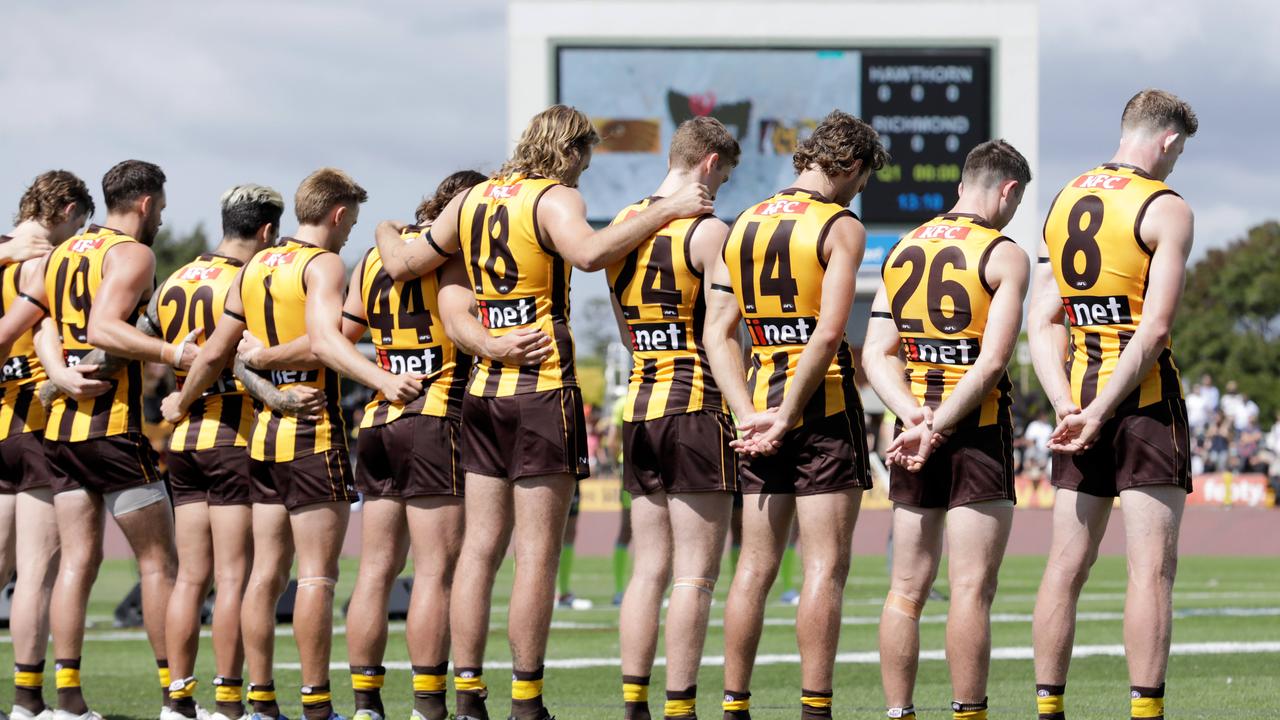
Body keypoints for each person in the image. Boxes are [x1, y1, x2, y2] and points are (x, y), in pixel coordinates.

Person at [373, 104, 711, 720]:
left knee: (478, 550)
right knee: (536, 555)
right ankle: (525, 701)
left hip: (483, 392)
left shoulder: (470, 201)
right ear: (570, 149)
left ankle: (466, 695)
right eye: (585, 156)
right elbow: (587, 255)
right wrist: (665, 209)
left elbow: (401, 263)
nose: (584, 171)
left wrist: (384, 229)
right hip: (541, 386)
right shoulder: (554, 197)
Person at [164, 168, 368, 720]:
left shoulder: (254, 265)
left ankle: (256, 701)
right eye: (352, 220)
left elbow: (214, 353)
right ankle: (317, 706)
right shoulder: (324, 263)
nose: (350, 232)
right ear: (338, 214)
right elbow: (327, 343)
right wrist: (378, 380)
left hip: (259, 436)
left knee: (262, 575)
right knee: (317, 576)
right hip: (310, 427)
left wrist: (180, 403)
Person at [704, 109, 883, 720]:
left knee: (753, 567)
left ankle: (734, 706)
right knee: (824, 569)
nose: (860, 191)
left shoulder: (743, 223)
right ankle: (814, 710)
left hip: (756, 405)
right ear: (852, 167)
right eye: (862, 181)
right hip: (823, 410)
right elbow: (831, 332)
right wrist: (786, 416)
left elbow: (718, 333)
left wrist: (748, 412)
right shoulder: (840, 226)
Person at [1029, 89, 1197, 720]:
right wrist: (1100, 412)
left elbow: (1041, 318)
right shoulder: (1166, 207)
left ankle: (1049, 709)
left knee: (1066, 565)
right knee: (1150, 571)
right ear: (1168, 141)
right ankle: (1146, 712)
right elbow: (1153, 330)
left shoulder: (1065, 196)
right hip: (1144, 406)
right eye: (1179, 154)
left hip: (1078, 397)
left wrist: (1068, 404)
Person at [304, 170, 485, 720]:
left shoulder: (375, 257)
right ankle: (429, 705)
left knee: (376, 569)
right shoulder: (456, 255)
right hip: (436, 418)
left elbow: (336, 337)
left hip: (380, 421)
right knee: (434, 572)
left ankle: (365, 705)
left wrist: (264, 355)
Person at [864, 138, 1032, 720]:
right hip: (976, 433)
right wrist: (938, 424)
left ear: (964, 182)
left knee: (904, 590)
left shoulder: (903, 246)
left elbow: (876, 354)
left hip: (911, 430)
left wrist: (913, 416)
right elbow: (991, 363)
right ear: (1008, 191)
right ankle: (968, 712)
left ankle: (898, 712)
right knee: (970, 591)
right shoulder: (1003, 253)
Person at [145, 184, 317, 720]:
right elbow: (233, 359)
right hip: (232, 436)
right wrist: (278, 397)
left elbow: (139, 342)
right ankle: (230, 702)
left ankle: (177, 701)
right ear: (267, 231)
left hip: (184, 443)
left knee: (190, 577)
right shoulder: (247, 280)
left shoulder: (173, 279)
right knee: (236, 579)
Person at [606, 116, 740, 720]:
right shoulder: (710, 232)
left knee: (647, 568)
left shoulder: (621, 225)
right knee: (695, 575)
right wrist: (749, 412)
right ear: (710, 164)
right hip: (694, 406)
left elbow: (625, 330)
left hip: (639, 403)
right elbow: (720, 337)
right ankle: (680, 708)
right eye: (727, 176)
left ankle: (634, 703)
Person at [0, 171, 96, 720]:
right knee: (36, 572)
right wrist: (60, 371)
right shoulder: (42, 257)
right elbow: (40, 325)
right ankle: (30, 701)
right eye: (78, 222)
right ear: (64, 209)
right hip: (36, 420)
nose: (76, 235)